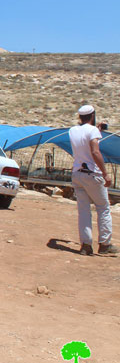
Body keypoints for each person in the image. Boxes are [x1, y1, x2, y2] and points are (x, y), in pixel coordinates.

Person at [68, 104, 117, 255]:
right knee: (103, 207)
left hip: (77, 173)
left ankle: (86, 245)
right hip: (92, 173)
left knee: (83, 210)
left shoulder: (72, 130)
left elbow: (84, 139)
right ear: (93, 115)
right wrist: (105, 173)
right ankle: (104, 244)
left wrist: (96, 130)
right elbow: (95, 152)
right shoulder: (93, 131)